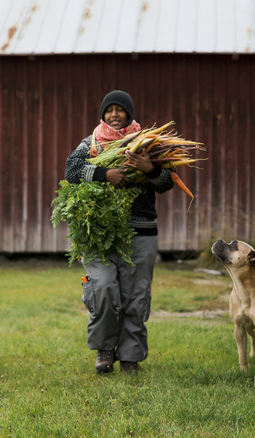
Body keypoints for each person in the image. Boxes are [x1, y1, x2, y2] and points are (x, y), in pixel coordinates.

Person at [64, 90, 174, 374]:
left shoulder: (148, 144)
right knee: (101, 287)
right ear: (102, 114)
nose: (114, 114)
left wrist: (149, 169)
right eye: (109, 109)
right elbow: (71, 171)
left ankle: (130, 357)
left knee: (135, 296)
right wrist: (105, 174)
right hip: (99, 234)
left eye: (120, 110)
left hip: (141, 233)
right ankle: (104, 350)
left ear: (129, 113)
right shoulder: (91, 144)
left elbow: (166, 183)